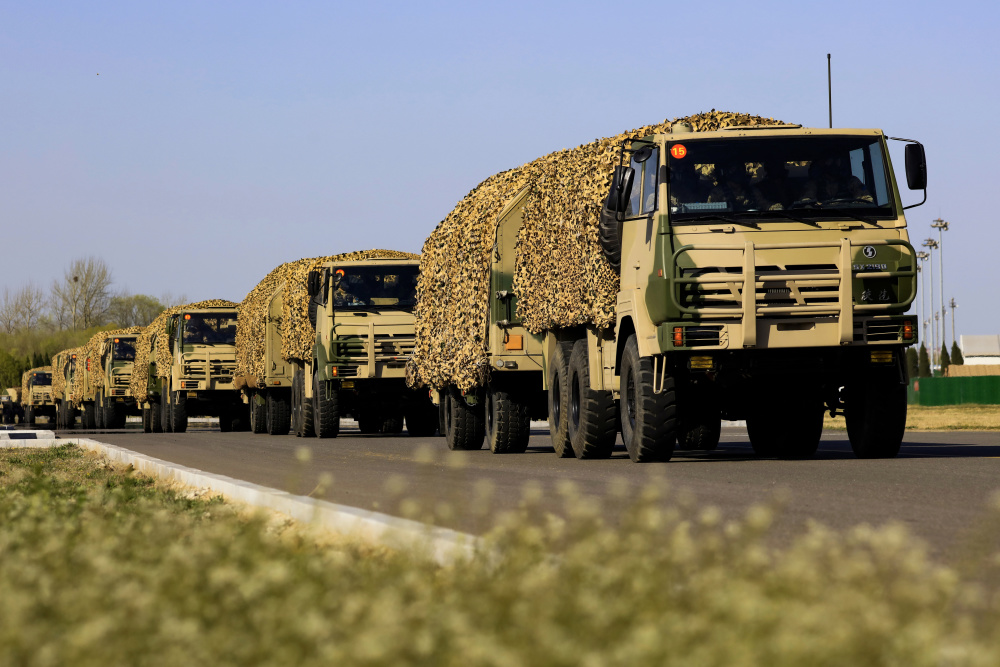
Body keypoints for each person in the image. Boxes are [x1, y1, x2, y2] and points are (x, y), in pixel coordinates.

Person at [799, 156, 874, 205]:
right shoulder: (814, 184)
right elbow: (806, 202)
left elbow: (867, 200)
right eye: (830, 160)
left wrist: (854, 205)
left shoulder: (851, 181)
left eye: (837, 160)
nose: (834, 164)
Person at [707, 160, 772, 211]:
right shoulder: (717, 193)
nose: (739, 171)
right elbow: (710, 212)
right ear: (728, 172)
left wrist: (777, 208)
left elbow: (766, 205)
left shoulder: (752, 191)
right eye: (735, 169)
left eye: (741, 168)